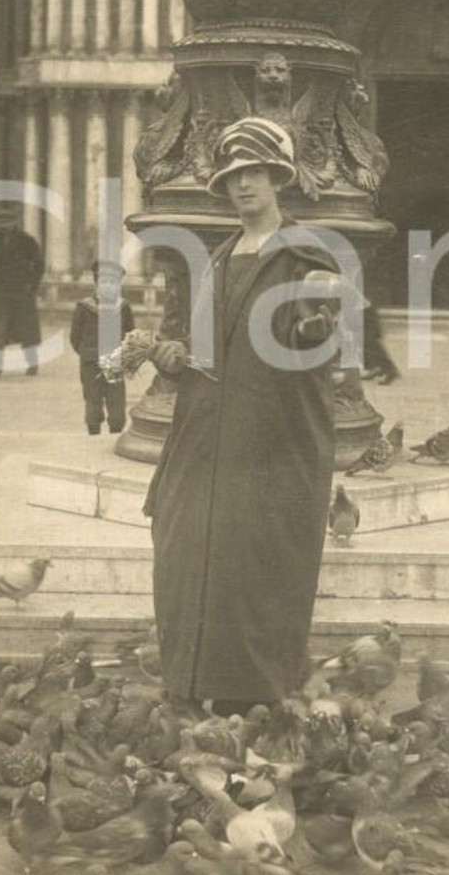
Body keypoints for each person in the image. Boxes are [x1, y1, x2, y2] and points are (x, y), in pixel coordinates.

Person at [143, 117, 340, 716]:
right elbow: (207, 349)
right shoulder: (220, 258)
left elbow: (314, 342)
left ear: (278, 178)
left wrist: (315, 322)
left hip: (269, 437)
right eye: (233, 177)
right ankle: (189, 680)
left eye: (254, 173)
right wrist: (175, 357)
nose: (244, 186)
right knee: (183, 546)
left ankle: (249, 696)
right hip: (204, 434)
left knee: (255, 561)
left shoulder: (305, 255)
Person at [70, 260, 135, 434]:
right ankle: (93, 433)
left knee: (117, 406)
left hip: (115, 362)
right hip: (91, 363)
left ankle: (115, 432)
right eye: (104, 282)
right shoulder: (85, 307)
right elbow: (75, 337)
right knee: (93, 403)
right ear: (96, 284)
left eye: (112, 283)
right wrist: (88, 353)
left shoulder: (123, 307)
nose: (108, 287)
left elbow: (130, 334)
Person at [0, 204, 43, 378]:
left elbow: (39, 265)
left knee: (27, 330)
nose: (4, 225)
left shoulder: (27, 241)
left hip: (21, 292)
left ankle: (32, 364)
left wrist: (31, 286)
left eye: (8, 221)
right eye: (1, 221)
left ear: (16, 222)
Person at [361, 300, 400, 385]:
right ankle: (376, 367)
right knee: (365, 341)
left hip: (362, 310)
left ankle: (389, 370)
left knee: (368, 341)